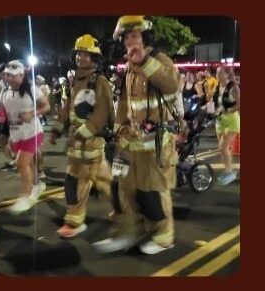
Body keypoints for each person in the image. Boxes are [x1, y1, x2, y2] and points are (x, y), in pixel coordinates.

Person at [92, 16, 181, 255]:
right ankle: (128, 232)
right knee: (124, 190)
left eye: (134, 35)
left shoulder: (158, 59)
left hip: (156, 145)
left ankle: (163, 236)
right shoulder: (129, 66)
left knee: (153, 191)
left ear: (145, 37)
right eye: (126, 37)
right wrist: (120, 129)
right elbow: (124, 104)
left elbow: (172, 85)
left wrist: (145, 61)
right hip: (129, 144)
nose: (129, 40)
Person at [50, 34, 114, 238]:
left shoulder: (100, 81)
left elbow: (103, 111)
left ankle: (74, 221)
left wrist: (84, 132)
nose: (80, 57)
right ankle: (126, 210)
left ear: (94, 58)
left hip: (90, 143)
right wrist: (57, 129)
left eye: (85, 54)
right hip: (76, 143)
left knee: (77, 180)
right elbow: (68, 108)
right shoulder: (76, 80)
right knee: (104, 180)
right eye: (78, 53)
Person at [0, 60, 50, 214]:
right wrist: (9, 137)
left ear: (22, 75)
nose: (11, 78)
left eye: (15, 76)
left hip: (33, 132)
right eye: (9, 75)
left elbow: (46, 106)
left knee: (21, 165)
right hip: (16, 135)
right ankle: (37, 185)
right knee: (28, 165)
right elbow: (7, 115)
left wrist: (32, 114)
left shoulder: (33, 90)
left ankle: (24, 197)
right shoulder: (4, 92)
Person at [214, 66, 240, 185]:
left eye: (220, 73)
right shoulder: (217, 86)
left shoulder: (233, 87)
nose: (217, 75)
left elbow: (239, 104)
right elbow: (214, 102)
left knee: (223, 147)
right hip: (219, 121)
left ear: (227, 74)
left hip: (232, 121)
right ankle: (227, 171)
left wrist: (227, 110)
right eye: (216, 73)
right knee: (223, 150)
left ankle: (229, 173)